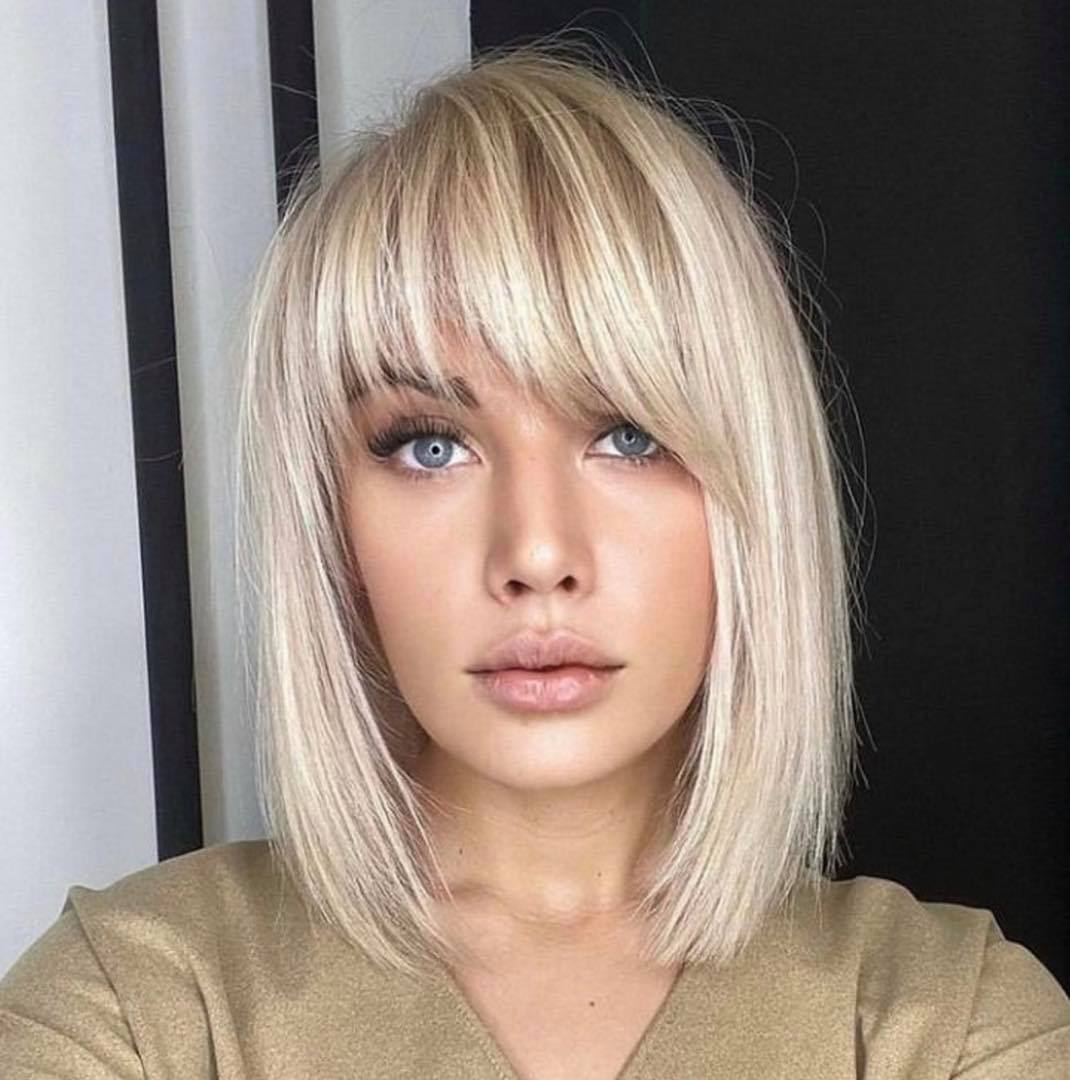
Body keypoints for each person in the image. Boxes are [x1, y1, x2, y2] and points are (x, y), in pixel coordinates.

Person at [2, 41, 1067, 1080]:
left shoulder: (945, 1022)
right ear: (329, 519)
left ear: (752, 488)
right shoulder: (138, 1010)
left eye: (629, 435)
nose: (538, 554)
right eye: (429, 446)